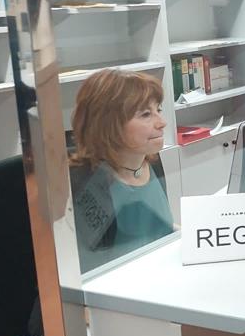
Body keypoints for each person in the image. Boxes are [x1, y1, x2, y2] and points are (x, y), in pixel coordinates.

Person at [69, 69, 174, 273]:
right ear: (108, 124)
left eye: (158, 110)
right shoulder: (83, 180)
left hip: (160, 270)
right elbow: (92, 266)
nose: (162, 122)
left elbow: (159, 229)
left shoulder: (149, 160)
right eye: (146, 114)